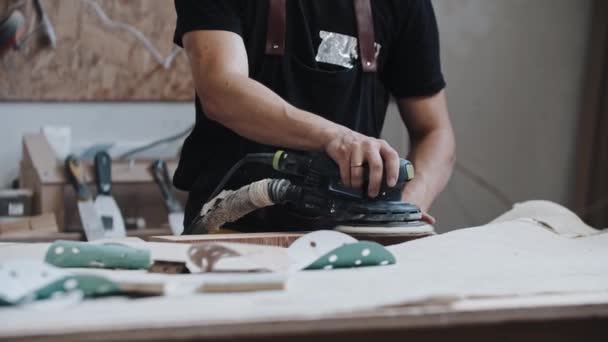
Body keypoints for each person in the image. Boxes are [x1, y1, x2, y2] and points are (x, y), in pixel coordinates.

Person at [173, 0, 455, 233]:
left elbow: (434, 131)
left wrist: (405, 210)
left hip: (350, 236)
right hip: (229, 230)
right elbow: (221, 89)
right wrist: (336, 137)